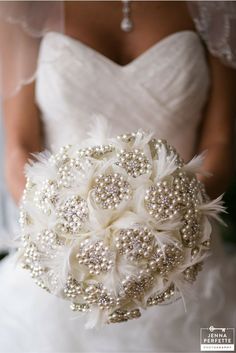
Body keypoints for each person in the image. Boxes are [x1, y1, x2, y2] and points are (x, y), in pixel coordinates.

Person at [0, 1, 236, 352]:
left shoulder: (217, 7)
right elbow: (20, 145)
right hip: (65, 264)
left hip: (189, 264)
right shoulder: (22, 6)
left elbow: (222, 139)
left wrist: (173, 225)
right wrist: (61, 235)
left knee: (216, 345)